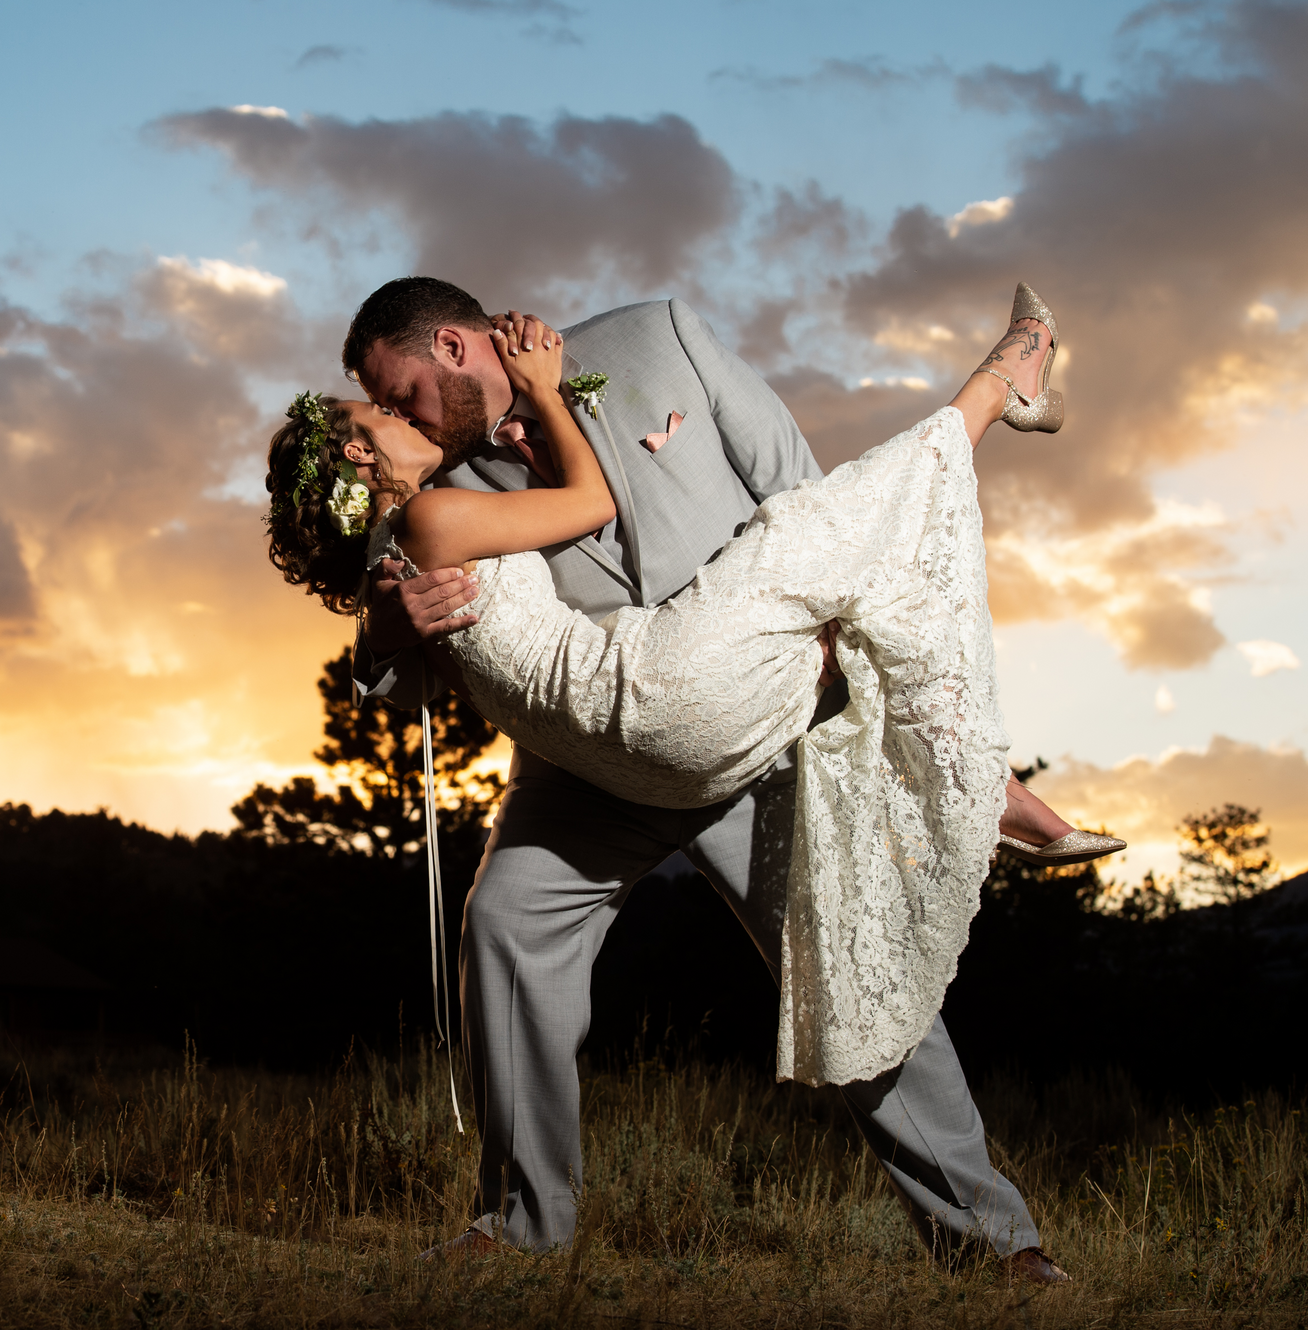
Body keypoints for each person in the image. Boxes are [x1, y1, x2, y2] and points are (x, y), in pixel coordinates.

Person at [265, 279, 1107, 1283]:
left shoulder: (658, 338)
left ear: (450, 342)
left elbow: (802, 502)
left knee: (852, 966)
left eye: (397, 390)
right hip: (587, 768)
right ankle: (520, 1222)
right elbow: (392, 675)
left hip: (751, 733)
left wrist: (849, 672)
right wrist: (387, 630)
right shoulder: (437, 485)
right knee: (504, 925)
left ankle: (991, 1242)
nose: (398, 416)